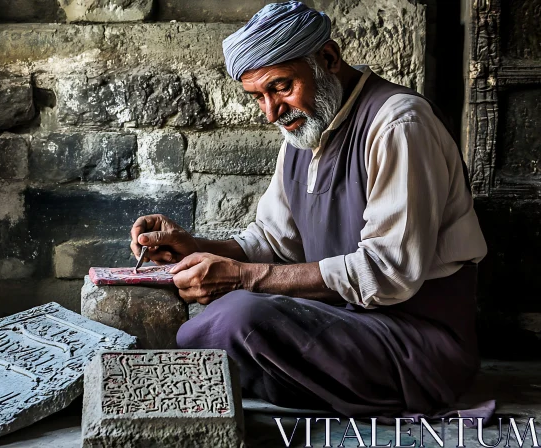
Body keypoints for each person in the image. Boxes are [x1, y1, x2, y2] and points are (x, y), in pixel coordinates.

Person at [129, 1, 491, 420]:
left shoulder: (399, 125)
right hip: (348, 322)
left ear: (328, 58)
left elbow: (387, 272)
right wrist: (194, 246)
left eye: (281, 87)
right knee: (216, 326)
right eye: (258, 97)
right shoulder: (304, 133)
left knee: (235, 316)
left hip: (418, 343)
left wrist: (244, 277)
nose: (271, 112)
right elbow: (271, 240)